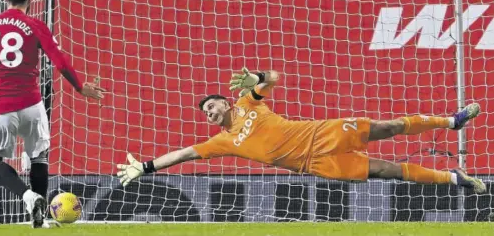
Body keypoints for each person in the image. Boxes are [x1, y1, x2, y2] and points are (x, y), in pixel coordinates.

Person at [116, 67, 485, 194]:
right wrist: (145, 167)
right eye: (205, 113)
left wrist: (256, 78)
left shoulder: (247, 102)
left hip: (321, 134)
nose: (209, 113)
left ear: (226, 102)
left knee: (386, 128)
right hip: (316, 165)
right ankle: (455, 178)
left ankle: (451, 121)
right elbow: (182, 155)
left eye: (211, 106)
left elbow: (274, 77)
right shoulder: (220, 142)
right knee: (386, 170)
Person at [0, 0, 105, 228]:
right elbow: (60, 62)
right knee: (39, 158)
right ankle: (40, 220)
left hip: (0, 107)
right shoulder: (35, 25)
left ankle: (28, 198)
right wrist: (80, 87)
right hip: (32, 104)